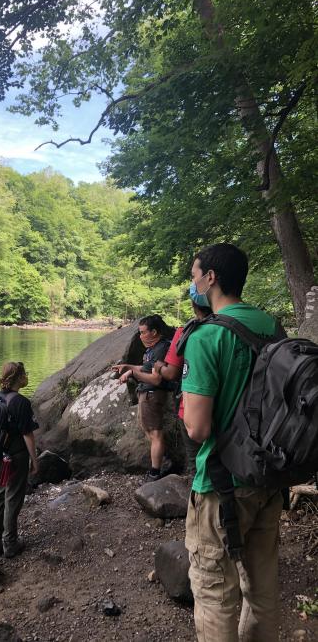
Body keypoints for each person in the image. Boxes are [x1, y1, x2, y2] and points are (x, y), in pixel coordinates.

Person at [181, 243, 283, 642]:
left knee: (214, 594)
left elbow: (198, 429)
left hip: (220, 485)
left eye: (194, 275)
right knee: (262, 591)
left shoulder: (206, 337)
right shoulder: (271, 327)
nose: (193, 282)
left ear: (211, 278)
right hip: (269, 477)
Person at [153, 301, 212, 476]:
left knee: (197, 464)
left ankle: (199, 500)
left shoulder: (188, 331)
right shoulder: (230, 327)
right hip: (229, 408)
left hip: (190, 408)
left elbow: (171, 372)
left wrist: (157, 367)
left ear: (194, 307)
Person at [113, 314, 175, 481]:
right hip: (146, 394)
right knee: (149, 430)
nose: (140, 336)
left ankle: (155, 472)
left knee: (155, 433)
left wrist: (133, 373)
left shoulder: (162, 348)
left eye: (142, 332)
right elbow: (146, 367)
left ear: (154, 332)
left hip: (152, 395)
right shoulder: (152, 349)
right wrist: (128, 366)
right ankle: (164, 460)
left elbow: (156, 379)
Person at [0, 361, 39, 559]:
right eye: (25, 374)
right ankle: (10, 544)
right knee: (13, 498)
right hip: (15, 458)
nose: (27, 376)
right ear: (19, 378)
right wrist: (35, 461)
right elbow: (28, 435)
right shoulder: (21, 402)